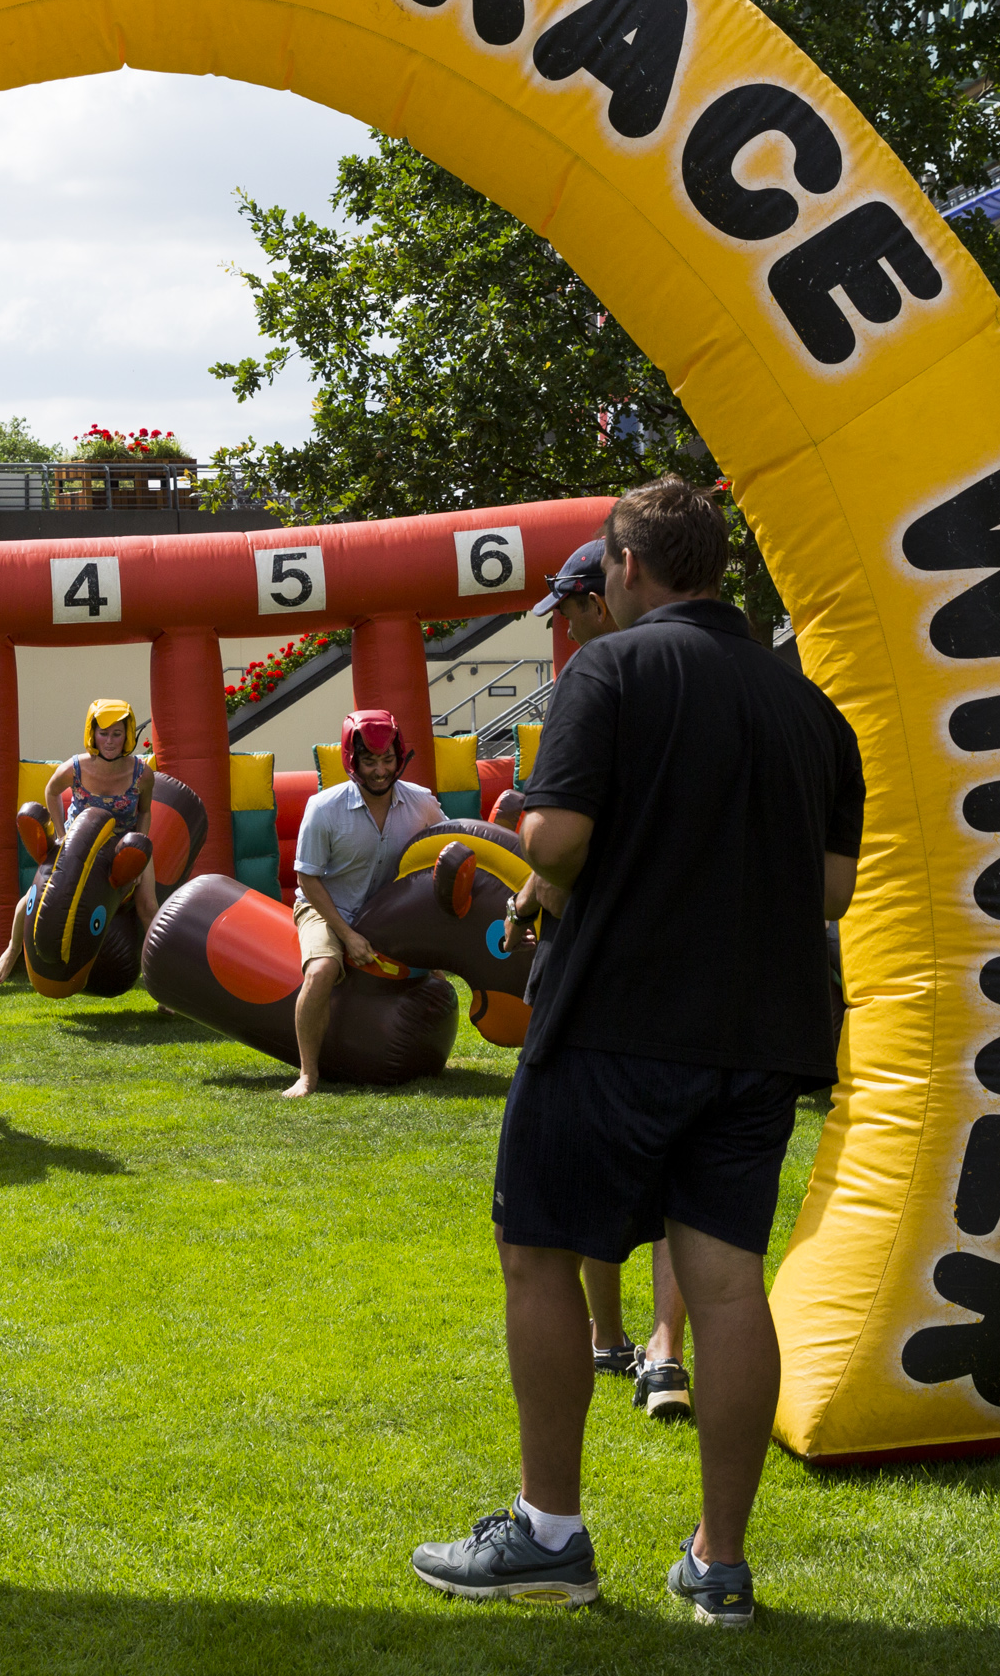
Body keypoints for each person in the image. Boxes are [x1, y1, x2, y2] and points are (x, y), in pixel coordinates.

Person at [412, 477, 863, 1627]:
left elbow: (556, 839)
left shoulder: (606, 669)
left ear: (624, 563)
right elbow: (830, 887)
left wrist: (535, 841)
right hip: (762, 1035)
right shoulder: (812, 708)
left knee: (537, 1252)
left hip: (615, 1020)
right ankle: (721, 1561)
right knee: (728, 1283)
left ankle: (549, 1533)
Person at [513, 539, 688, 1403]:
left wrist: (534, 887)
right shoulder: (704, 684)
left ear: (605, 591)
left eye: (570, 610)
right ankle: (656, 1347)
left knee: (584, 1174)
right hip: (693, 974)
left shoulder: (601, 680)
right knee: (686, 1187)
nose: (567, 628)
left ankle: (616, 1338)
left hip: (596, 976)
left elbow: (563, 843)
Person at [282, 707, 441, 1098]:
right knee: (322, 970)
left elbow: (446, 844)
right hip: (326, 906)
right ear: (352, 761)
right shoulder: (324, 808)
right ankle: (307, 1074)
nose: (380, 771)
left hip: (388, 912)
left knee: (437, 973)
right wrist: (346, 934)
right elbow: (307, 878)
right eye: (370, 761)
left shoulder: (420, 802)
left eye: (388, 759)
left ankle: (432, 1057)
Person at [0, 698, 163, 984]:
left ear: (128, 735)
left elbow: (144, 811)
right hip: (79, 843)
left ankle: (157, 975)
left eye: (117, 734)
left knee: (147, 906)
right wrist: (61, 834)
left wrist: (139, 853)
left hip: (123, 844)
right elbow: (51, 791)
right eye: (103, 733)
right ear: (92, 735)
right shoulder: (75, 768)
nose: (110, 741)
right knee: (37, 895)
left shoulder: (141, 774)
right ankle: (12, 948)